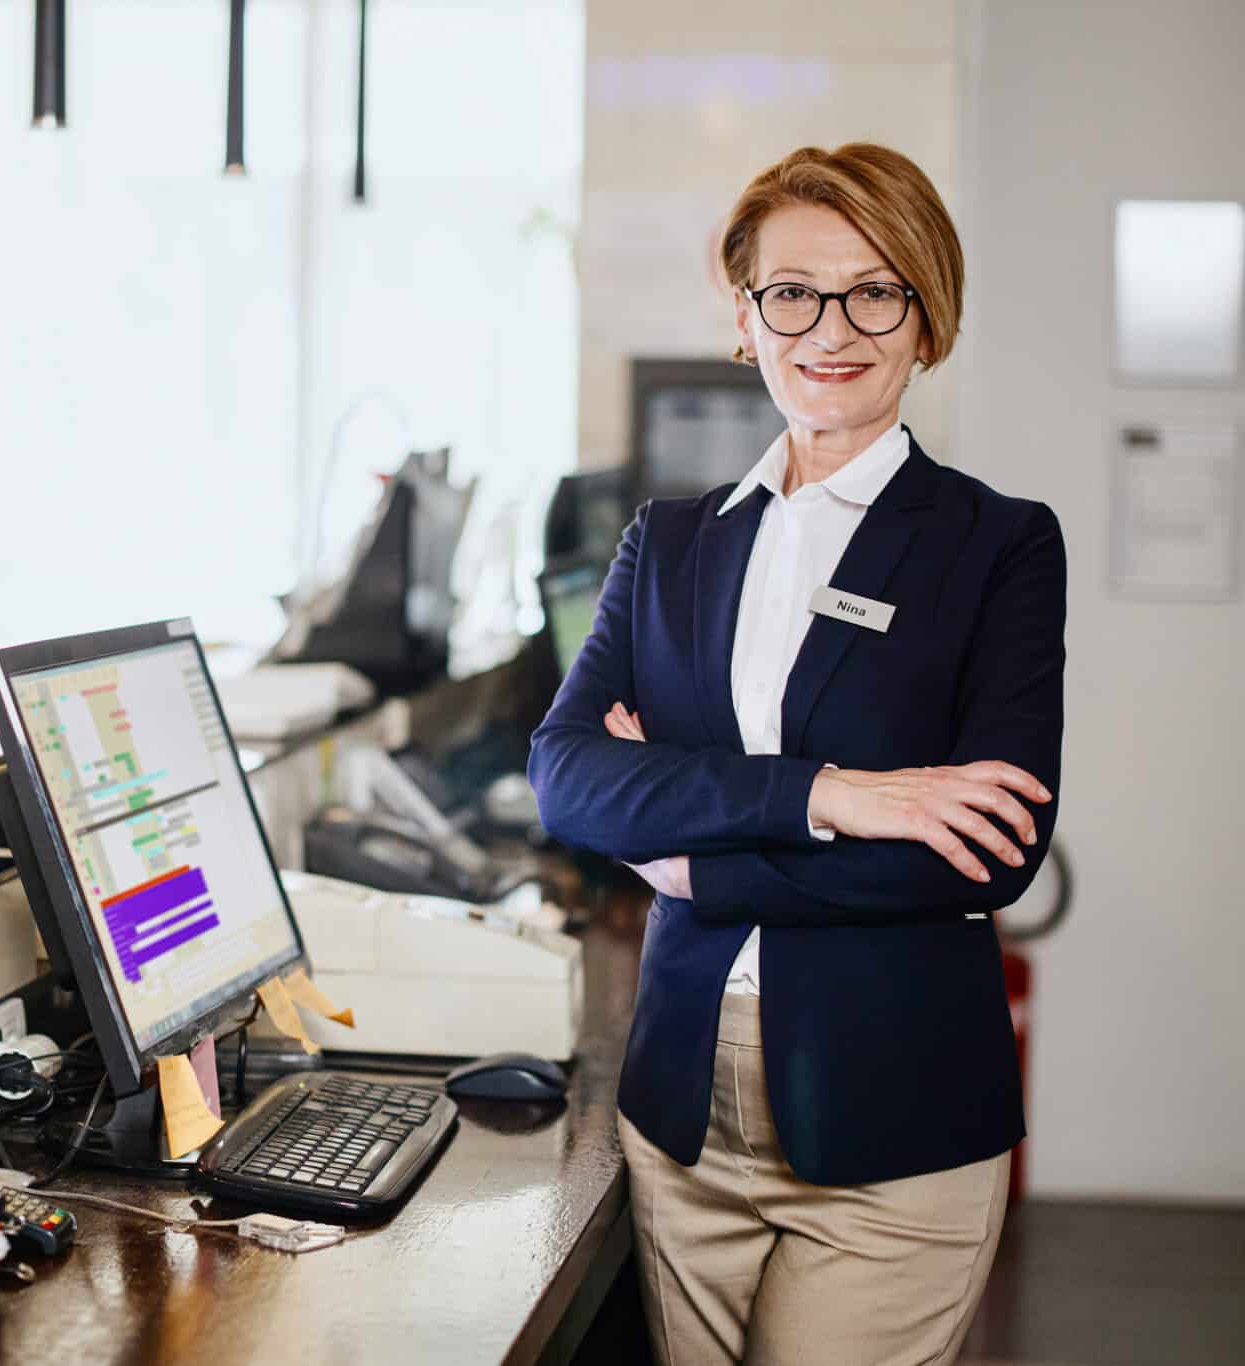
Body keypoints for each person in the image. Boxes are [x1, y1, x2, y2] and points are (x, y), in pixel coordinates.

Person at [528, 143, 1066, 1366]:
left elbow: (985, 854)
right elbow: (566, 775)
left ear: (925, 316)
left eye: (875, 290)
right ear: (743, 314)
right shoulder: (666, 545)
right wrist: (836, 795)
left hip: (891, 1120)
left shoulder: (996, 548)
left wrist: (694, 861)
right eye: (792, 292)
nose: (831, 328)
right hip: (680, 1111)